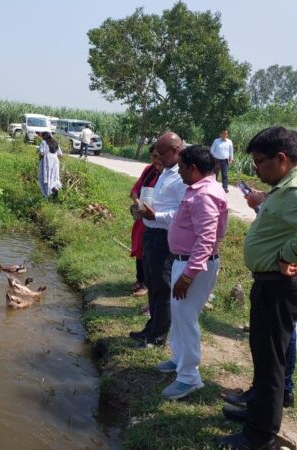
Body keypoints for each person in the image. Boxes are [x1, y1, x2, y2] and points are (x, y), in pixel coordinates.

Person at [218, 127, 297, 449]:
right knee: (268, 358)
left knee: (270, 363)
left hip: (279, 286)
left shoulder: (296, 188)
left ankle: (259, 436)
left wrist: (286, 255)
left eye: (259, 162)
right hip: (275, 284)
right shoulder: (291, 183)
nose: (256, 169)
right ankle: (259, 413)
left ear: (281, 159)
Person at [156, 144, 227, 400]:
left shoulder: (205, 194)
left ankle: (189, 378)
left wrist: (188, 275)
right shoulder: (198, 189)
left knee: (186, 317)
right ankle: (179, 358)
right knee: (179, 313)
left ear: (194, 168)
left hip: (193, 265)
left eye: (183, 167)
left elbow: (206, 240)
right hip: (184, 261)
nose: (180, 172)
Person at [129, 132, 188, 348]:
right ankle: (151, 327)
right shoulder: (166, 171)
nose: (157, 158)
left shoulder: (182, 176)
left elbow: (183, 212)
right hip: (151, 233)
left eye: (160, 153)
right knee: (153, 284)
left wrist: (157, 216)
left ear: (175, 150)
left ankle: (158, 336)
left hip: (165, 237)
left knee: (162, 287)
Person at [129, 147, 162, 297]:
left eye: (158, 156)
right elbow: (135, 189)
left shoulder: (168, 174)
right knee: (139, 247)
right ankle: (140, 279)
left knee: (149, 251)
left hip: (156, 217)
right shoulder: (149, 170)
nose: (156, 160)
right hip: (143, 215)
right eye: (153, 156)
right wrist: (137, 201)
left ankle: (147, 284)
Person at [37, 132, 62, 198]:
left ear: (44, 137)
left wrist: (39, 161)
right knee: (54, 176)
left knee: (45, 177)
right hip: (55, 162)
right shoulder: (55, 142)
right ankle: (54, 190)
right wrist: (55, 159)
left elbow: (41, 154)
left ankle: (46, 195)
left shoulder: (43, 142)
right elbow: (60, 154)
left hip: (46, 161)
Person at [210, 129, 234, 193]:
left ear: (227, 135)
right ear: (221, 134)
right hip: (216, 160)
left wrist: (231, 159)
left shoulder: (229, 142)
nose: (224, 135)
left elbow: (231, 151)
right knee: (215, 174)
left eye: (225, 133)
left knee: (224, 174)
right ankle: (212, 187)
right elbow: (212, 150)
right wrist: (211, 158)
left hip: (225, 161)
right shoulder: (216, 141)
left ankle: (225, 187)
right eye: (223, 133)